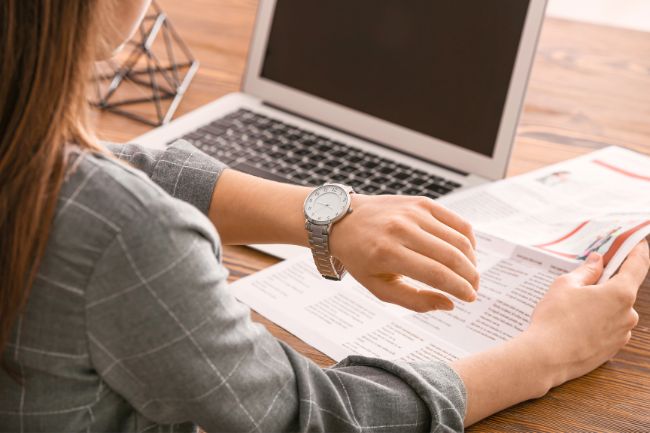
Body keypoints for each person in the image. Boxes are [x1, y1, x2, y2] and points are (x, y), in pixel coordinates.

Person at [0, 1, 647, 432]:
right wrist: (544, 355)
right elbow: (308, 417)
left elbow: (109, 161)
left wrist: (329, 214)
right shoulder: (121, 235)